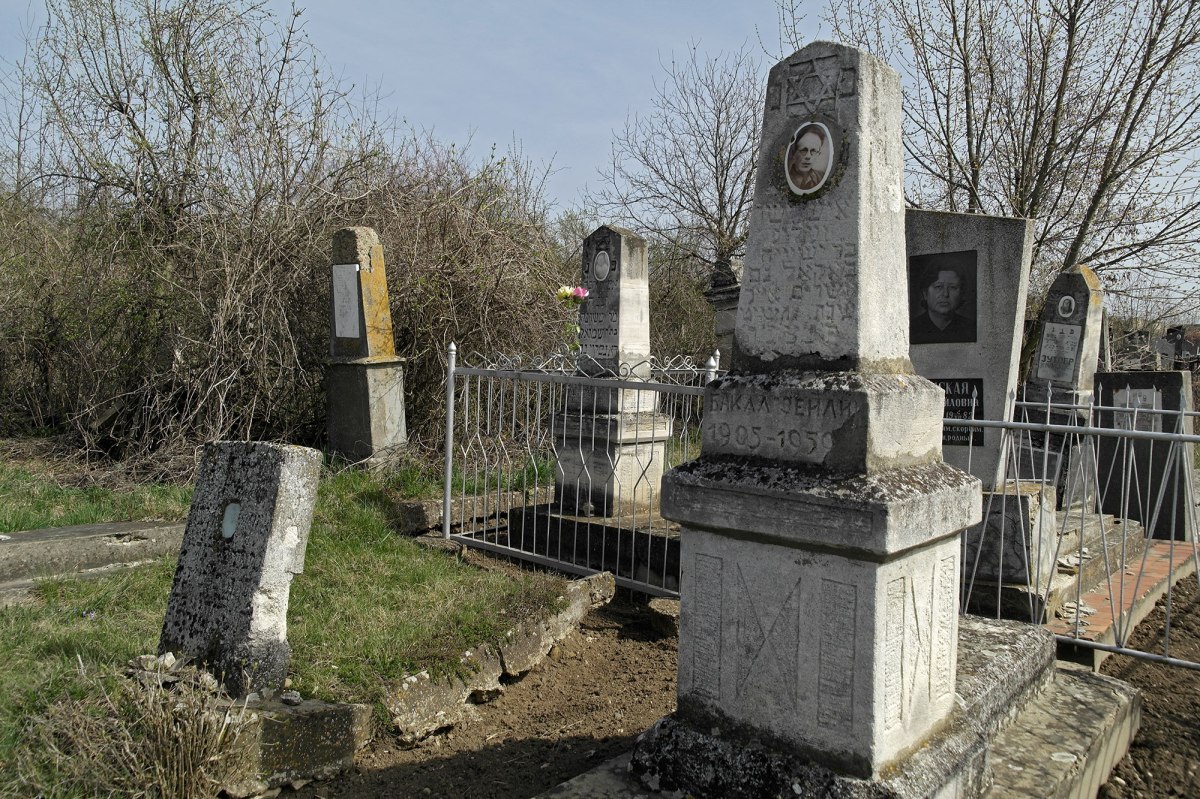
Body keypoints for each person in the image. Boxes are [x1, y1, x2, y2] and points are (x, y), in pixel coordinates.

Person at [910, 264, 976, 344]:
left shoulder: (972, 329)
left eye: (953, 287)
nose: (945, 294)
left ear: (961, 294)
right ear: (925, 293)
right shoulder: (910, 329)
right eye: (938, 287)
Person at [786, 124, 827, 192]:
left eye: (813, 151)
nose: (808, 156)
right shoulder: (787, 177)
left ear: (818, 154)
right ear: (794, 153)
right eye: (803, 150)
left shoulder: (821, 176)